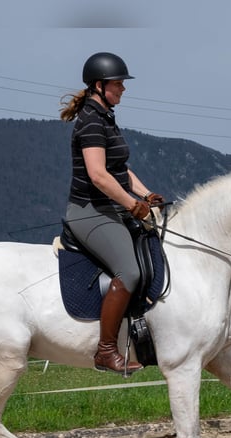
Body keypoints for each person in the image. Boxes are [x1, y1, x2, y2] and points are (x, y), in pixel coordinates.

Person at [60, 52, 164, 375]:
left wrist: (145, 194)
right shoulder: (91, 121)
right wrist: (133, 205)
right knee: (130, 271)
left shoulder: (105, 117)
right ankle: (106, 351)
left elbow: (120, 170)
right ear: (99, 85)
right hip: (89, 211)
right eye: (118, 83)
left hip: (109, 206)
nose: (123, 89)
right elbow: (99, 175)